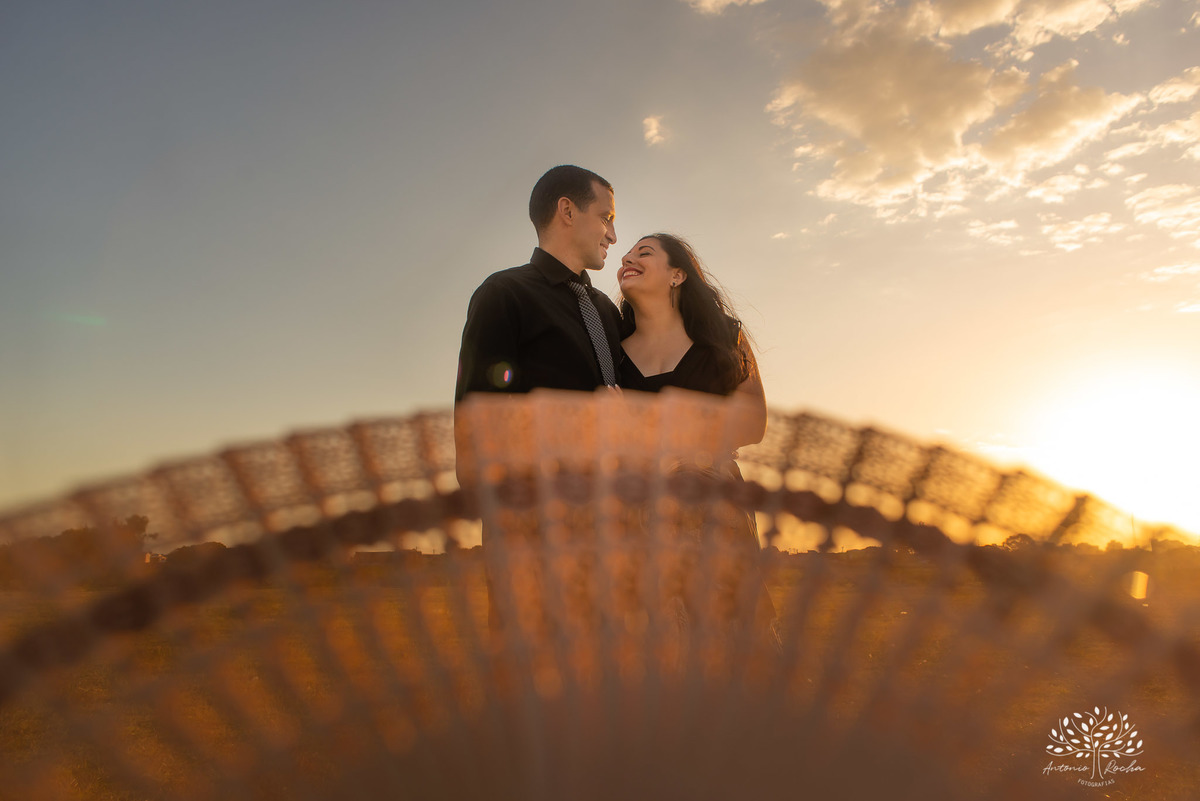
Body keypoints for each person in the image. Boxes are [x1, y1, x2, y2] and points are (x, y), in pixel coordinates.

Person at [454, 165, 621, 637]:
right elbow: (479, 422)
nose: (613, 233)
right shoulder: (504, 295)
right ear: (566, 211)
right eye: (605, 216)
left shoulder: (608, 312)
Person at [616, 232, 779, 654]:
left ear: (677, 274)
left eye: (643, 252)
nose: (626, 256)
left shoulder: (724, 337)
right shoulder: (611, 354)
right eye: (627, 254)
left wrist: (647, 426)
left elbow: (753, 422)